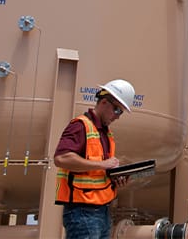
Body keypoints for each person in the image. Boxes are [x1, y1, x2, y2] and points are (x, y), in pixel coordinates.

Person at [54, 78, 135, 239]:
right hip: (82, 211)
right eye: (117, 110)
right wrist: (103, 164)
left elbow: (96, 172)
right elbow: (61, 158)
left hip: (103, 210)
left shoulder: (105, 133)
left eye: (121, 112)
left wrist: (115, 179)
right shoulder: (80, 125)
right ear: (104, 102)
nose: (118, 116)